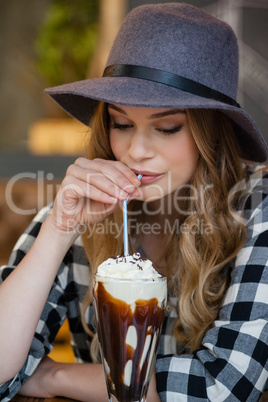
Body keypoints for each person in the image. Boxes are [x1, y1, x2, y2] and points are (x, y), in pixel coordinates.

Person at [0, 3, 267, 401]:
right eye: (121, 124)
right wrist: (58, 229)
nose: (136, 150)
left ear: (213, 132)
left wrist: (54, 377)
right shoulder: (83, 209)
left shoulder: (256, 209)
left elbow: (222, 387)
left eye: (167, 127)